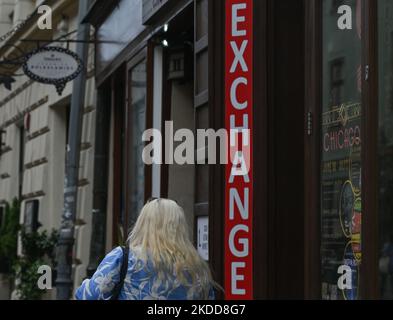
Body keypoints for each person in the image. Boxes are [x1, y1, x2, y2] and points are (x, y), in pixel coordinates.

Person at [75, 198, 217, 300]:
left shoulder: (124, 258)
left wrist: (86, 283)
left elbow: (88, 296)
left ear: (143, 223)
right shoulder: (196, 268)